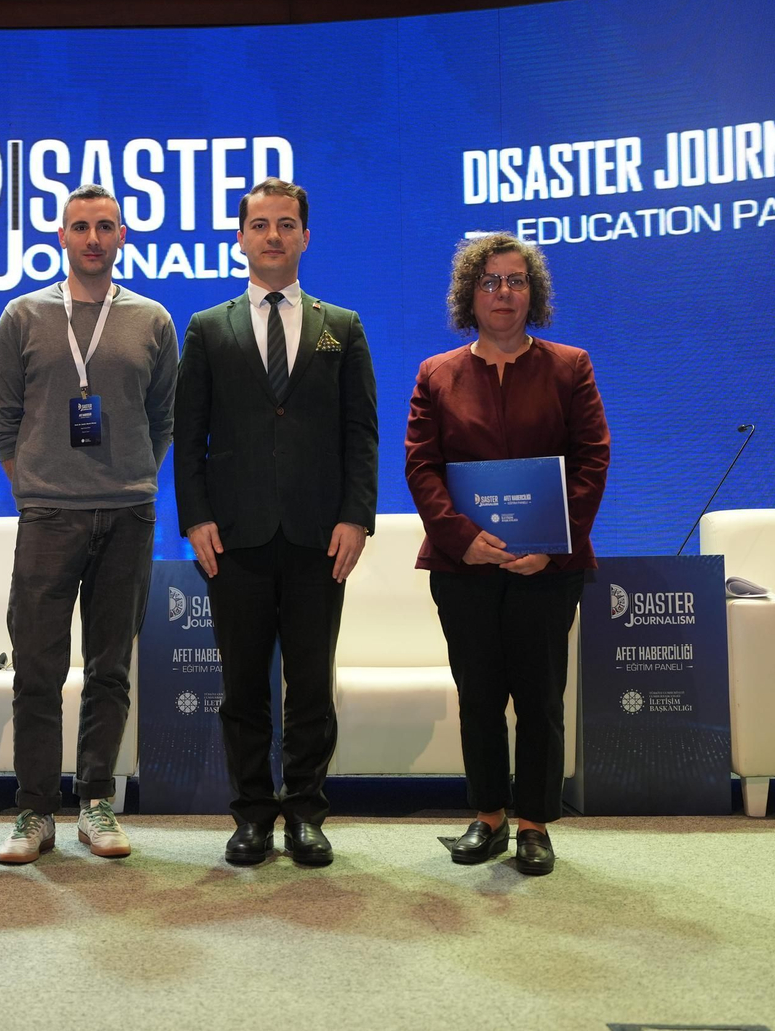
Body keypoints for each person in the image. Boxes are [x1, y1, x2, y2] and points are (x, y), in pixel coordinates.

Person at [173, 178, 377, 867]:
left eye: (286, 224)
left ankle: (307, 813)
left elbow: (361, 432)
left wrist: (357, 517)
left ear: (305, 237)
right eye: (260, 224)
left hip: (321, 537)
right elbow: (189, 434)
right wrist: (195, 517)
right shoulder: (208, 327)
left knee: (312, 684)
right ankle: (253, 814)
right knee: (242, 688)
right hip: (235, 537)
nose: (273, 236)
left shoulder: (342, 326)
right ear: (241, 238)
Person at [405, 232, 609, 876]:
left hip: (548, 570)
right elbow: (422, 467)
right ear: (469, 295)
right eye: (490, 281)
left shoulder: (570, 366)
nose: (503, 292)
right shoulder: (436, 373)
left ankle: (534, 824)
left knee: (541, 697)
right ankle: (488, 816)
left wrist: (550, 545)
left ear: (533, 292)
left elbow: (592, 460)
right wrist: (461, 538)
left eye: (516, 280)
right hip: (462, 567)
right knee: (479, 696)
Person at [0, 184, 178, 864]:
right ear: (62, 236)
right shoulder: (23, 314)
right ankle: (34, 810)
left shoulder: (152, 318)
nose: (92, 238)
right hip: (47, 517)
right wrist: (39, 485)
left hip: (128, 515)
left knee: (109, 668)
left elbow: (163, 418)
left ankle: (96, 802)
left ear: (122, 236)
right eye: (80, 227)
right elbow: (2, 419)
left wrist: (129, 476)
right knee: (36, 669)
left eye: (104, 227)